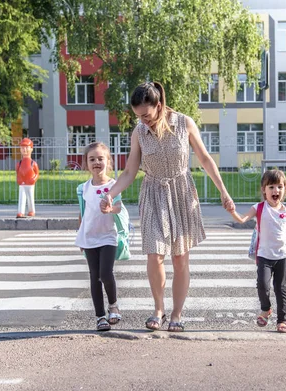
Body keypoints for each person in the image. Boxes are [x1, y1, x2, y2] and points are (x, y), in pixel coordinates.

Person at [100, 81, 234, 332]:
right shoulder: (139, 132)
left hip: (181, 191)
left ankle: (177, 313)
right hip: (153, 193)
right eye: (138, 116)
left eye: (147, 115)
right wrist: (110, 194)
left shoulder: (184, 123)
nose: (143, 120)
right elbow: (130, 171)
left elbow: (205, 159)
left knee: (180, 257)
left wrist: (223, 192)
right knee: (154, 254)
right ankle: (158, 309)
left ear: (159, 106)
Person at [228, 169, 286, 333]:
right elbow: (242, 219)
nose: (275, 190)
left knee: (280, 288)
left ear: (285, 189)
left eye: (279, 186)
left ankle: (282, 320)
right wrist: (232, 211)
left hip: (283, 256)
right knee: (262, 284)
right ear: (264, 189)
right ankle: (266, 308)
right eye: (271, 187)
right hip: (264, 255)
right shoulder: (259, 208)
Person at [75, 142, 123, 331]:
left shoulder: (113, 185)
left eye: (100, 159)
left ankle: (113, 305)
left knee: (105, 273)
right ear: (86, 164)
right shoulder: (83, 188)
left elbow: (119, 207)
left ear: (108, 161)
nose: (96, 162)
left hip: (108, 236)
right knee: (94, 277)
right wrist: (80, 236)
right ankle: (100, 317)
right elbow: (82, 213)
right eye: (92, 159)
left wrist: (111, 208)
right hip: (89, 237)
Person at [16, 138, 40, 218]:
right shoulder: (19, 164)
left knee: (30, 198)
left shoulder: (33, 163)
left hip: (30, 183)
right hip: (22, 183)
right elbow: (18, 173)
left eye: (26, 147)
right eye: (22, 148)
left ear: (31, 149)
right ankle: (20, 211)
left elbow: (37, 173)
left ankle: (31, 210)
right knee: (21, 198)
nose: (24, 150)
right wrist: (19, 179)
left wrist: (34, 179)